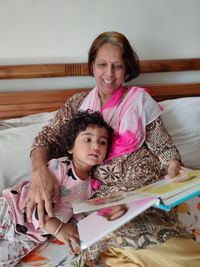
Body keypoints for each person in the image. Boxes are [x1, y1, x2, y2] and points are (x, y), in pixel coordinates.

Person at [23, 31, 200, 267]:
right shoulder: (77, 105)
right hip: (102, 207)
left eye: (117, 66)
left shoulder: (140, 102)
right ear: (92, 67)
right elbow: (45, 140)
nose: (109, 74)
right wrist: (38, 170)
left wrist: (174, 167)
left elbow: (165, 149)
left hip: (144, 200)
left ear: (127, 70)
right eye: (102, 65)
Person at [0, 110, 113, 266]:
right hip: (13, 210)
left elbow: (73, 213)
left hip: (31, 236)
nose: (95, 146)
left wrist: (78, 234)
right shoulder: (59, 167)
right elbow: (36, 203)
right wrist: (59, 228)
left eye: (102, 142)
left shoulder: (90, 189)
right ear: (71, 147)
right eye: (88, 139)